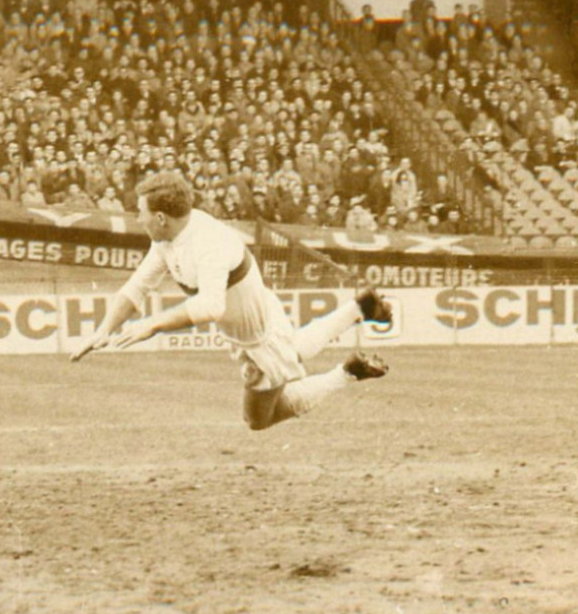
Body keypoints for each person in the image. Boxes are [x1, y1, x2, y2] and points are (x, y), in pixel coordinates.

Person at [70, 171, 391, 432]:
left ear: (160, 217)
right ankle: (359, 308)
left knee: (258, 419)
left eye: (140, 213)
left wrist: (151, 325)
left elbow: (211, 307)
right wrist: (103, 330)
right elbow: (136, 287)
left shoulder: (207, 244)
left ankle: (347, 372)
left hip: (257, 338)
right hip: (258, 320)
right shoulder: (170, 236)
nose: (138, 220)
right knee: (288, 353)